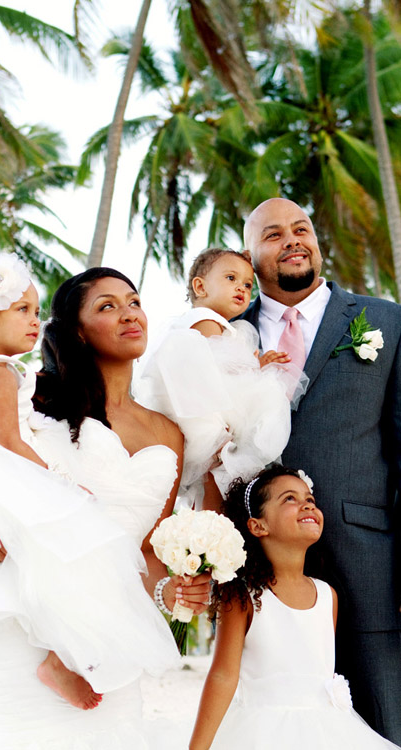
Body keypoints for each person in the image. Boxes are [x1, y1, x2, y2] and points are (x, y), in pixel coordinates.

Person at [0, 254, 185, 723]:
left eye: (135, 302)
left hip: (105, 634)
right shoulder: (34, 398)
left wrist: (169, 594)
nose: (130, 313)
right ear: (76, 330)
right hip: (22, 622)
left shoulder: (170, 434)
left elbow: (149, 553)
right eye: (108, 306)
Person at [240, 197, 401, 743]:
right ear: (250, 254)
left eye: (301, 228)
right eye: (273, 234)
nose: (292, 240)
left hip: (368, 558)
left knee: (383, 715)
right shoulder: (225, 333)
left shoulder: (383, 320)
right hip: (261, 566)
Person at [189, 465, 400, 750]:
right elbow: (223, 675)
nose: (306, 505)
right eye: (290, 499)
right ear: (258, 525)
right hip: (261, 733)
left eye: (310, 499)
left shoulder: (328, 596)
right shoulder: (242, 596)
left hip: (328, 733)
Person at [136, 247, 304, 507]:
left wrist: (255, 365)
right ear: (200, 287)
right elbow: (209, 371)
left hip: (205, 415)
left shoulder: (223, 326)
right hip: (203, 419)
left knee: (212, 489)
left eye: (248, 284)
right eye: (230, 279)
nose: (242, 288)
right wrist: (254, 370)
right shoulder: (204, 320)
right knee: (214, 487)